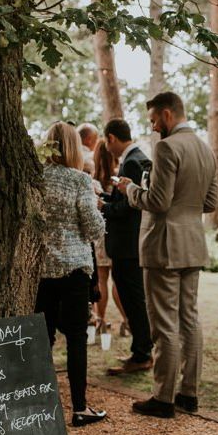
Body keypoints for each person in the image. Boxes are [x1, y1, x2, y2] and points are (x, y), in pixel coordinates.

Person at [116, 92, 218, 418]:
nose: (153, 126)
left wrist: (130, 190)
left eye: (154, 120)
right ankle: (189, 393)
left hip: (164, 246)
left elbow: (158, 202)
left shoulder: (167, 147)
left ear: (167, 114)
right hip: (193, 243)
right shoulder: (205, 149)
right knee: (190, 320)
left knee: (164, 324)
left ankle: (163, 398)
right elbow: (210, 202)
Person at [35, 121, 107, 427]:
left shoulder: (34, 178)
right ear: (74, 147)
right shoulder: (79, 180)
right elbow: (93, 228)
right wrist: (97, 205)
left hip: (41, 270)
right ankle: (79, 408)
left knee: (43, 338)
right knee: (76, 338)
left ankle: (37, 407)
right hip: (74, 270)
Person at [101, 119, 154, 374]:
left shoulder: (133, 161)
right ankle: (140, 350)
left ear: (111, 138)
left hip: (127, 244)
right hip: (129, 244)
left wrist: (104, 208)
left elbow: (131, 205)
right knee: (133, 299)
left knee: (133, 300)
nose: (107, 148)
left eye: (106, 142)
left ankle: (142, 353)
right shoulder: (135, 157)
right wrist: (105, 198)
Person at [92, 137, 129, 334]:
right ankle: (126, 321)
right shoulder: (115, 179)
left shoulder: (93, 180)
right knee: (117, 279)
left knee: (101, 279)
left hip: (99, 235)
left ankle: (100, 320)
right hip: (114, 234)